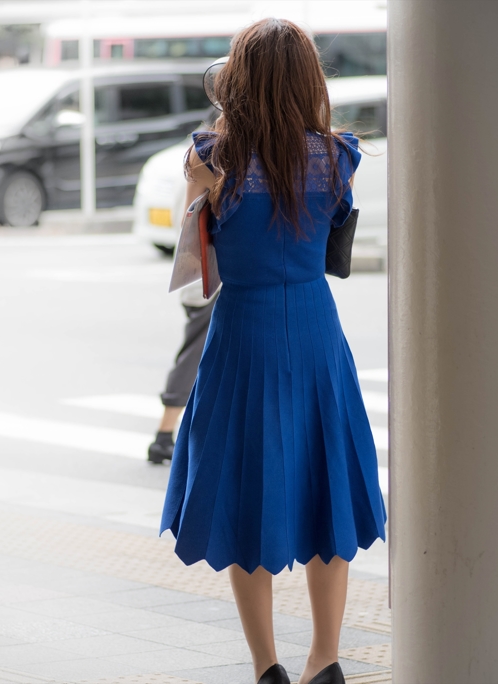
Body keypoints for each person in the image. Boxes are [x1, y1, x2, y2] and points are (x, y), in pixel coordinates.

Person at [159, 19, 386, 684]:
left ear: (240, 79)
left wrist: (199, 192)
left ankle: (268, 668)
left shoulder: (212, 156)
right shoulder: (338, 155)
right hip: (316, 329)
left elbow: (193, 271)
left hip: (243, 334)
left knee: (245, 492)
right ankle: (327, 657)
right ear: (310, 80)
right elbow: (336, 240)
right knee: (327, 492)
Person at [148, 281, 219, 464]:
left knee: (197, 357)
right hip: (210, 289)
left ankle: (166, 436)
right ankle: (164, 436)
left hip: (201, 287)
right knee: (192, 359)